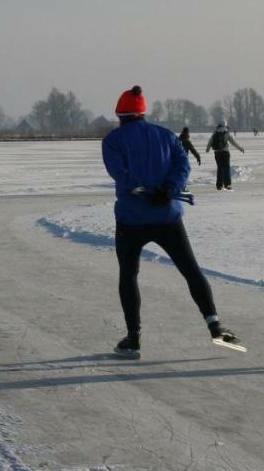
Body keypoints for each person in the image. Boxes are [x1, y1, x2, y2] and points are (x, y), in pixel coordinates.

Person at [102, 85, 240, 358]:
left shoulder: (113, 140)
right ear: (143, 113)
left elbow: (119, 173)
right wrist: (169, 189)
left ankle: (133, 338)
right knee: (190, 269)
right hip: (168, 216)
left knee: (129, 275)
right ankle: (214, 325)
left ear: (121, 115)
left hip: (131, 220)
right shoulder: (165, 135)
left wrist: (143, 189)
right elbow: (182, 166)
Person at [205, 120, 245, 191]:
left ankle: (219, 185)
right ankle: (227, 185)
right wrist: (240, 149)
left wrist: (207, 149)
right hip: (225, 153)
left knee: (219, 169)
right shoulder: (226, 133)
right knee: (226, 169)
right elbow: (233, 143)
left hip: (217, 153)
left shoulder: (215, 133)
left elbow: (210, 141)